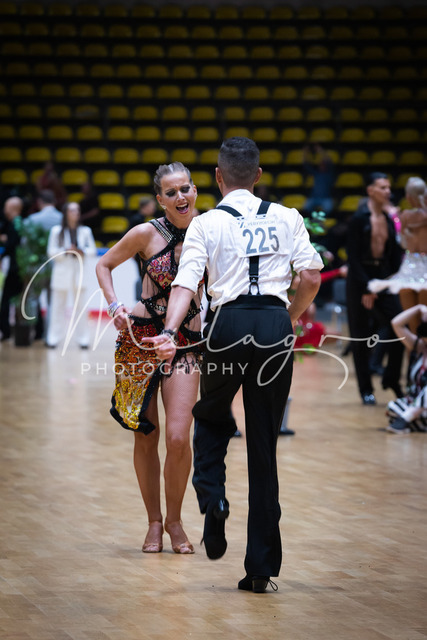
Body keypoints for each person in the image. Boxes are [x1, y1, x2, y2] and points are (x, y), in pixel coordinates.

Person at [145, 137, 323, 593]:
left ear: (218, 177)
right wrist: (289, 318)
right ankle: (260, 570)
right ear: (258, 175)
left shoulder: (206, 223)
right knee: (264, 444)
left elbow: (186, 284)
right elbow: (310, 276)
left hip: (227, 326)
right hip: (274, 325)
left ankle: (214, 500)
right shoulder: (287, 216)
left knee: (210, 419)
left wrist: (169, 331)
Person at [96, 162, 204, 556]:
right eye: (171, 192)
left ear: (195, 190)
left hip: (186, 341)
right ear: (160, 199)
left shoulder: (209, 229)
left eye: (186, 188)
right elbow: (103, 264)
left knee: (177, 437)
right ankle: (154, 522)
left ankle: (175, 520)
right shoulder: (146, 233)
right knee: (146, 434)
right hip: (139, 340)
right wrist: (115, 306)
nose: (181, 196)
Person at [346, 172, 405, 405]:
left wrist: (388, 283)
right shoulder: (358, 219)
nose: (388, 191)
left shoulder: (390, 220)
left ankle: (392, 379)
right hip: (360, 280)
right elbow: (353, 258)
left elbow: (394, 256)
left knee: (399, 326)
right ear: (370, 190)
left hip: (383, 278)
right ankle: (366, 389)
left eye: (388, 187)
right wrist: (366, 288)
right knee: (360, 337)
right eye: (382, 187)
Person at [368, 177, 427, 332]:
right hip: (425, 269)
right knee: (425, 321)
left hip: (408, 268)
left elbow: (402, 243)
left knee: (412, 323)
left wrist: (396, 217)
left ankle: (414, 348)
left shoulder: (405, 215)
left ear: (408, 196)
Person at [45, 202, 96, 349]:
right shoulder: (56, 231)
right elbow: (51, 251)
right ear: (66, 213)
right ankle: (53, 338)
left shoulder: (85, 231)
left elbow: (92, 251)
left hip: (79, 273)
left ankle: (83, 339)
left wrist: (81, 251)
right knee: (57, 307)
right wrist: (66, 251)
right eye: (72, 210)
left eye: (77, 210)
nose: (75, 213)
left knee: (81, 308)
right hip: (62, 272)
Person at [26, 190, 63, 339]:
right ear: (54, 201)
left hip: (37, 266)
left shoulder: (32, 219)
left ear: (39, 202)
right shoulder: (62, 218)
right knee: (52, 302)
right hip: (57, 266)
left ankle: (31, 332)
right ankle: (50, 335)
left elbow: (26, 244)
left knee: (32, 299)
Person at [386, 304, 427, 434]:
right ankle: (414, 420)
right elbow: (396, 323)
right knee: (393, 407)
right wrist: (419, 308)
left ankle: (406, 419)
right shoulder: (420, 347)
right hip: (418, 406)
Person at [0, 197, 24, 341]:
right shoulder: (20, 222)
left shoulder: (16, 223)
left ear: (12, 208)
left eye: (6, 207)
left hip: (16, 268)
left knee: (6, 300)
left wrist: (2, 253)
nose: (4, 210)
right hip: (20, 267)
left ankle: (5, 330)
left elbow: (12, 245)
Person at [302, 143, 335, 217]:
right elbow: (306, 164)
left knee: (329, 209)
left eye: (323, 164)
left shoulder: (329, 173)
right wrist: (305, 152)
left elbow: (329, 161)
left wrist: (320, 151)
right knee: (306, 208)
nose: (321, 165)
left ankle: (321, 219)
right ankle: (312, 219)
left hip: (326, 198)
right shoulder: (316, 173)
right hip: (314, 197)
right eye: (320, 164)